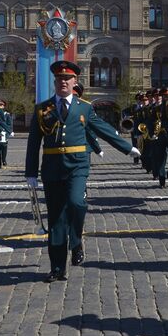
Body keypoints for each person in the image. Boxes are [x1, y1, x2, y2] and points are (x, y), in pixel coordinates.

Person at [26, 60, 139, 281]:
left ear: (75, 81)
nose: (63, 82)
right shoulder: (42, 109)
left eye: (67, 79)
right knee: (56, 218)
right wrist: (30, 172)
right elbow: (33, 143)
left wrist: (127, 148)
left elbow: (103, 129)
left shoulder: (84, 107)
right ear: (55, 82)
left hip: (77, 165)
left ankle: (76, 238)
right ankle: (57, 267)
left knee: (77, 202)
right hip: (52, 168)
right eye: (59, 79)